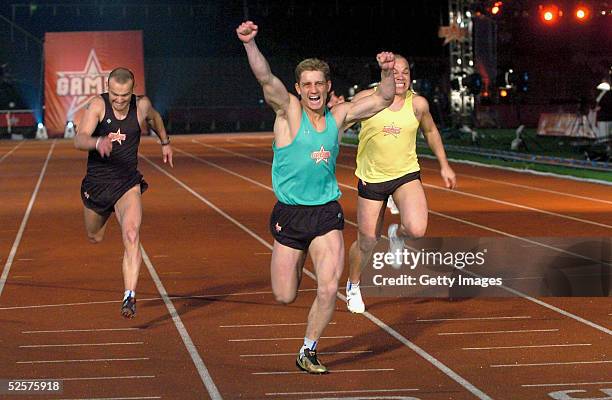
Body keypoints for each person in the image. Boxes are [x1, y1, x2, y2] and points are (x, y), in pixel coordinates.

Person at [236, 20, 395, 374]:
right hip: (289, 216)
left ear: (327, 87)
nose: (312, 90)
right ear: (298, 88)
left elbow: (383, 98)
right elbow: (265, 79)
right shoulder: (288, 112)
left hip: (325, 213)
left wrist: (385, 72)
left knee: (327, 287)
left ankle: (308, 349)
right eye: (306, 84)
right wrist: (249, 44)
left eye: (318, 84)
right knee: (284, 294)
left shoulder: (338, 117)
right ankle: (293, 262)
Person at [345, 55, 457, 314]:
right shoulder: (366, 98)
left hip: (405, 175)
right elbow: (339, 124)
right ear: (384, 73)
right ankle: (353, 285)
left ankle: (398, 234)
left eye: (405, 72)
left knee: (417, 229)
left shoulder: (417, 103)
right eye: (394, 72)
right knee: (367, 241)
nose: (400, 77)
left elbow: (430, 131)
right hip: (372, 178)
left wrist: (444, 164)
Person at [74, 67, 173, 318]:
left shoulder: (141, 106)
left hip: (127, 184)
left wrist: (165, 142)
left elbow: (156, 119)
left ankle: (129, 296)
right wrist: (97, 142)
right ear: (108, 89)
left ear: (133, 90)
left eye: (125, 95)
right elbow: (79, 138)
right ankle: (99, 221)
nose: (119, 100)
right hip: (97, 185)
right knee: (94, 236)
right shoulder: (97, 105)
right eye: (115, 95)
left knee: (131, 234)